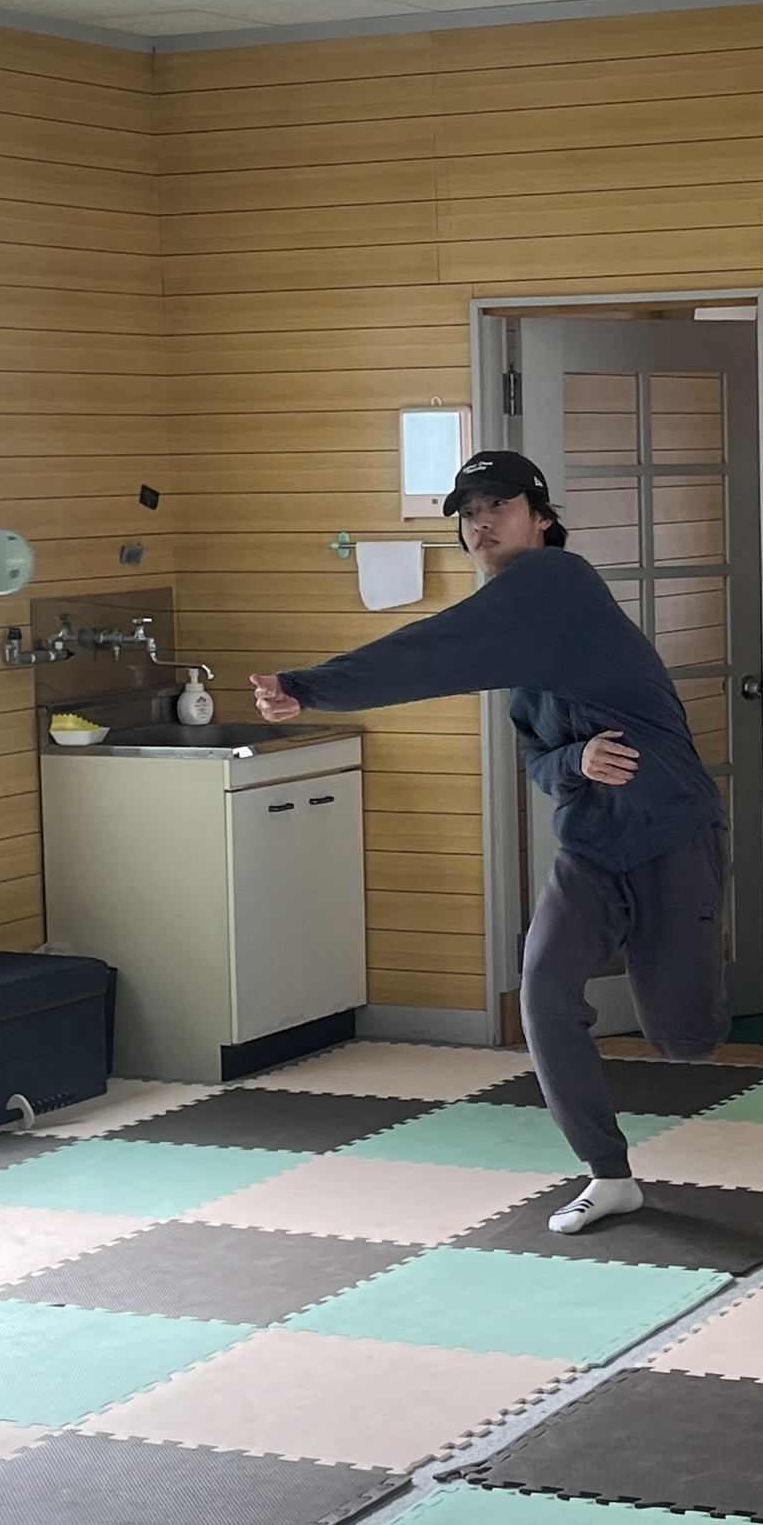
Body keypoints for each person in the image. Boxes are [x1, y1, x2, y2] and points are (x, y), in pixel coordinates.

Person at [252, 449, 728, 1233]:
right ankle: (608, 1174)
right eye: (468, 515)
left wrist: (312, 687)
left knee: (684, 1034)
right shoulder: (519, 644)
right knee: (542, 990)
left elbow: (432, 648)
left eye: (497, 508)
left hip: (672, 832)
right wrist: (577, 759)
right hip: (592, 848)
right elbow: (539, 763)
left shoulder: (557, 584)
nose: (480, 526)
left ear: (541, 518)